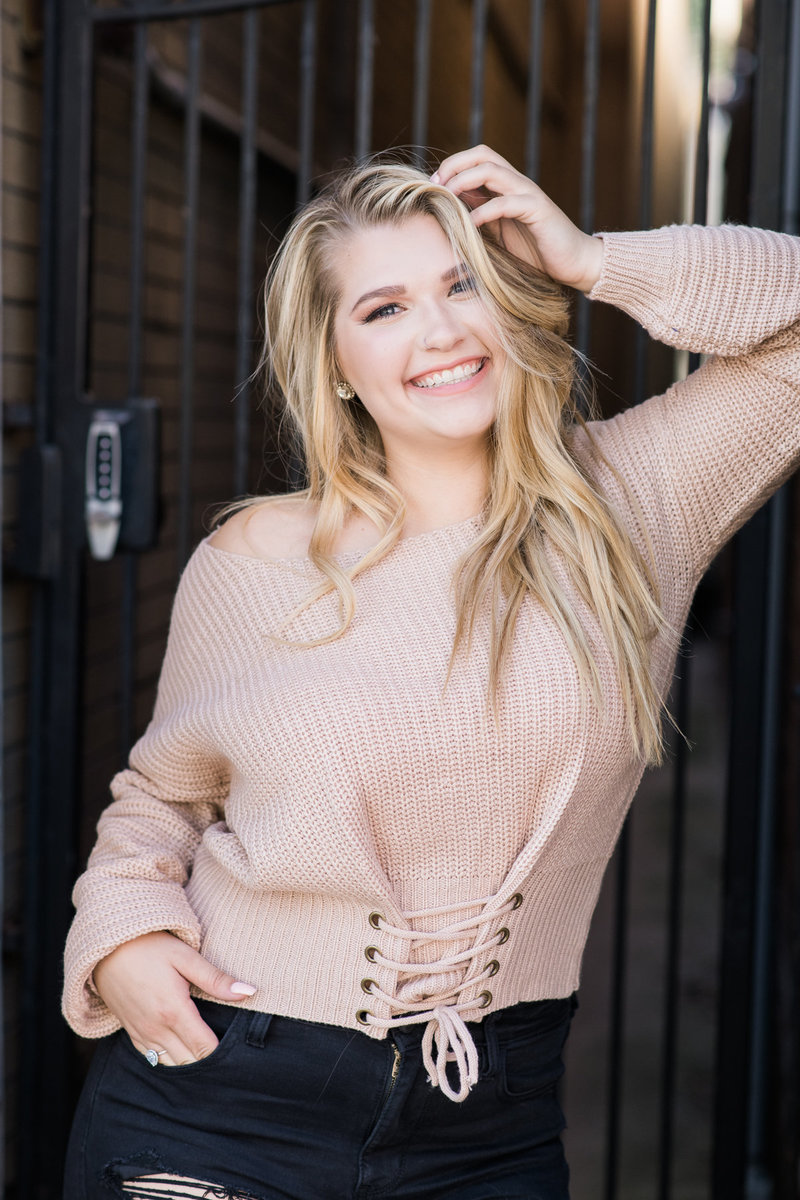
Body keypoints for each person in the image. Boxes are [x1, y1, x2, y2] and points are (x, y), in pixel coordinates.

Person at [63, 144, 800, 1200]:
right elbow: (161, 799)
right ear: (333, 365)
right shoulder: (253, 558)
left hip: (487, 1129)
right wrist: (122, 936)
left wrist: (589, 259)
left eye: (461, 285)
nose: (442, 330)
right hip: (222, 1094)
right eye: (384, 309)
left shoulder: (634, 503)